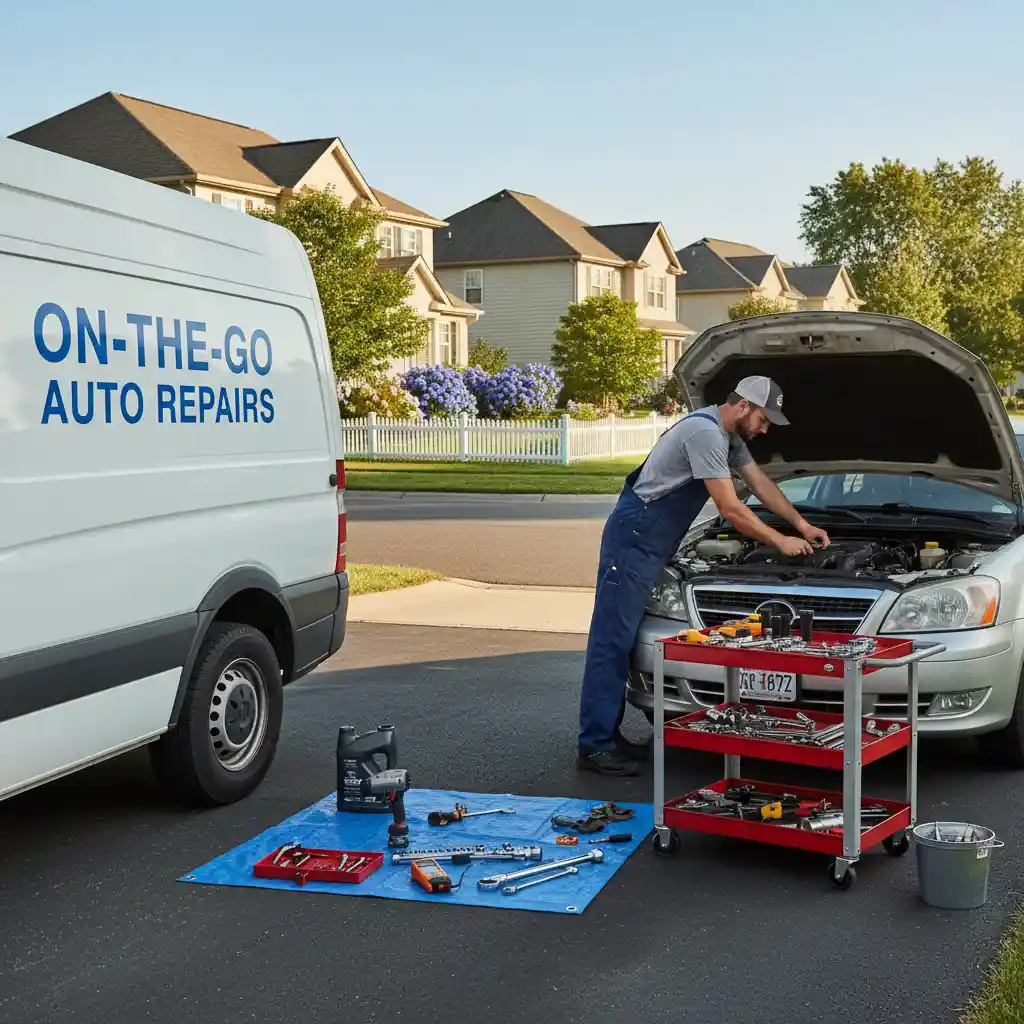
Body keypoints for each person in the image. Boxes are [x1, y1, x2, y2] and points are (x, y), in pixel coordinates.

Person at [576, 376, 831, 776]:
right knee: (612, 640)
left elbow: (760, 484)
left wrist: (801, 524)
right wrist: (779, 541)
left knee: (621, 640)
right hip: (634, 540)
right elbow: (730, 508)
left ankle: (607, 736)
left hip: (651, 542)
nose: (766, 429)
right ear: (744, 405)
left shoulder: (728, 438)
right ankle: (595, 746)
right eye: (765, 419)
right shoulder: (705, 434)